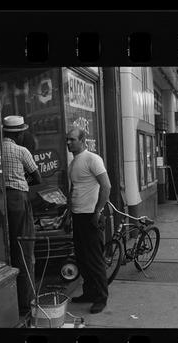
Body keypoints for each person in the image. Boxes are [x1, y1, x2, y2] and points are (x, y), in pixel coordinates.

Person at [67, 127, 111, 314]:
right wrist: (69, 213)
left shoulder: (92, 159)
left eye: (72, 139)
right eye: (67, 140)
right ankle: (89, 293)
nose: (68, 143)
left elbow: (106, 186)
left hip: (90, 216)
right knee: (83, 259)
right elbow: (74, 189)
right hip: (78, 216)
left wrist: (98, 212)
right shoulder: (73, 163)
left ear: (83, 140)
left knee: (94, 260)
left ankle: (101, 297)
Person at [2, 115, 41, 315]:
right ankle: (26, 301)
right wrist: (23, 181)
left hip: (0, 199)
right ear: (19, 133)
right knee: (24, 249)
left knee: (6, 247)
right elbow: (37, 177)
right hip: (18, 198)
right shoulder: (20, 150)